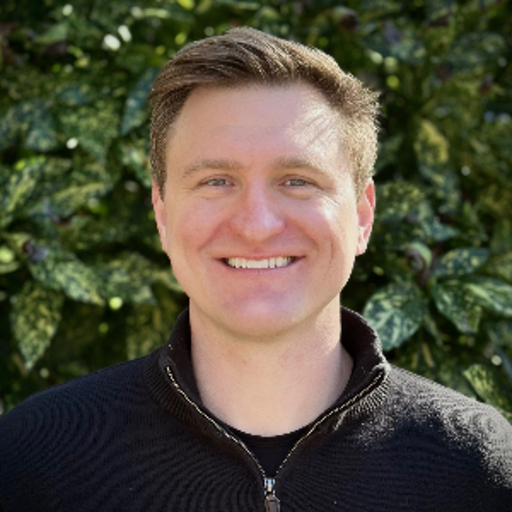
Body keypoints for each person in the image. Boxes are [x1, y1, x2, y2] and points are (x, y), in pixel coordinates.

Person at [0, 27, 511, 512]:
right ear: (162, 215)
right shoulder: (33, 459)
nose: (257, 225)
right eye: (217, 181)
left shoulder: (477, 469)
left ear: (362, 217)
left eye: (297, 180)